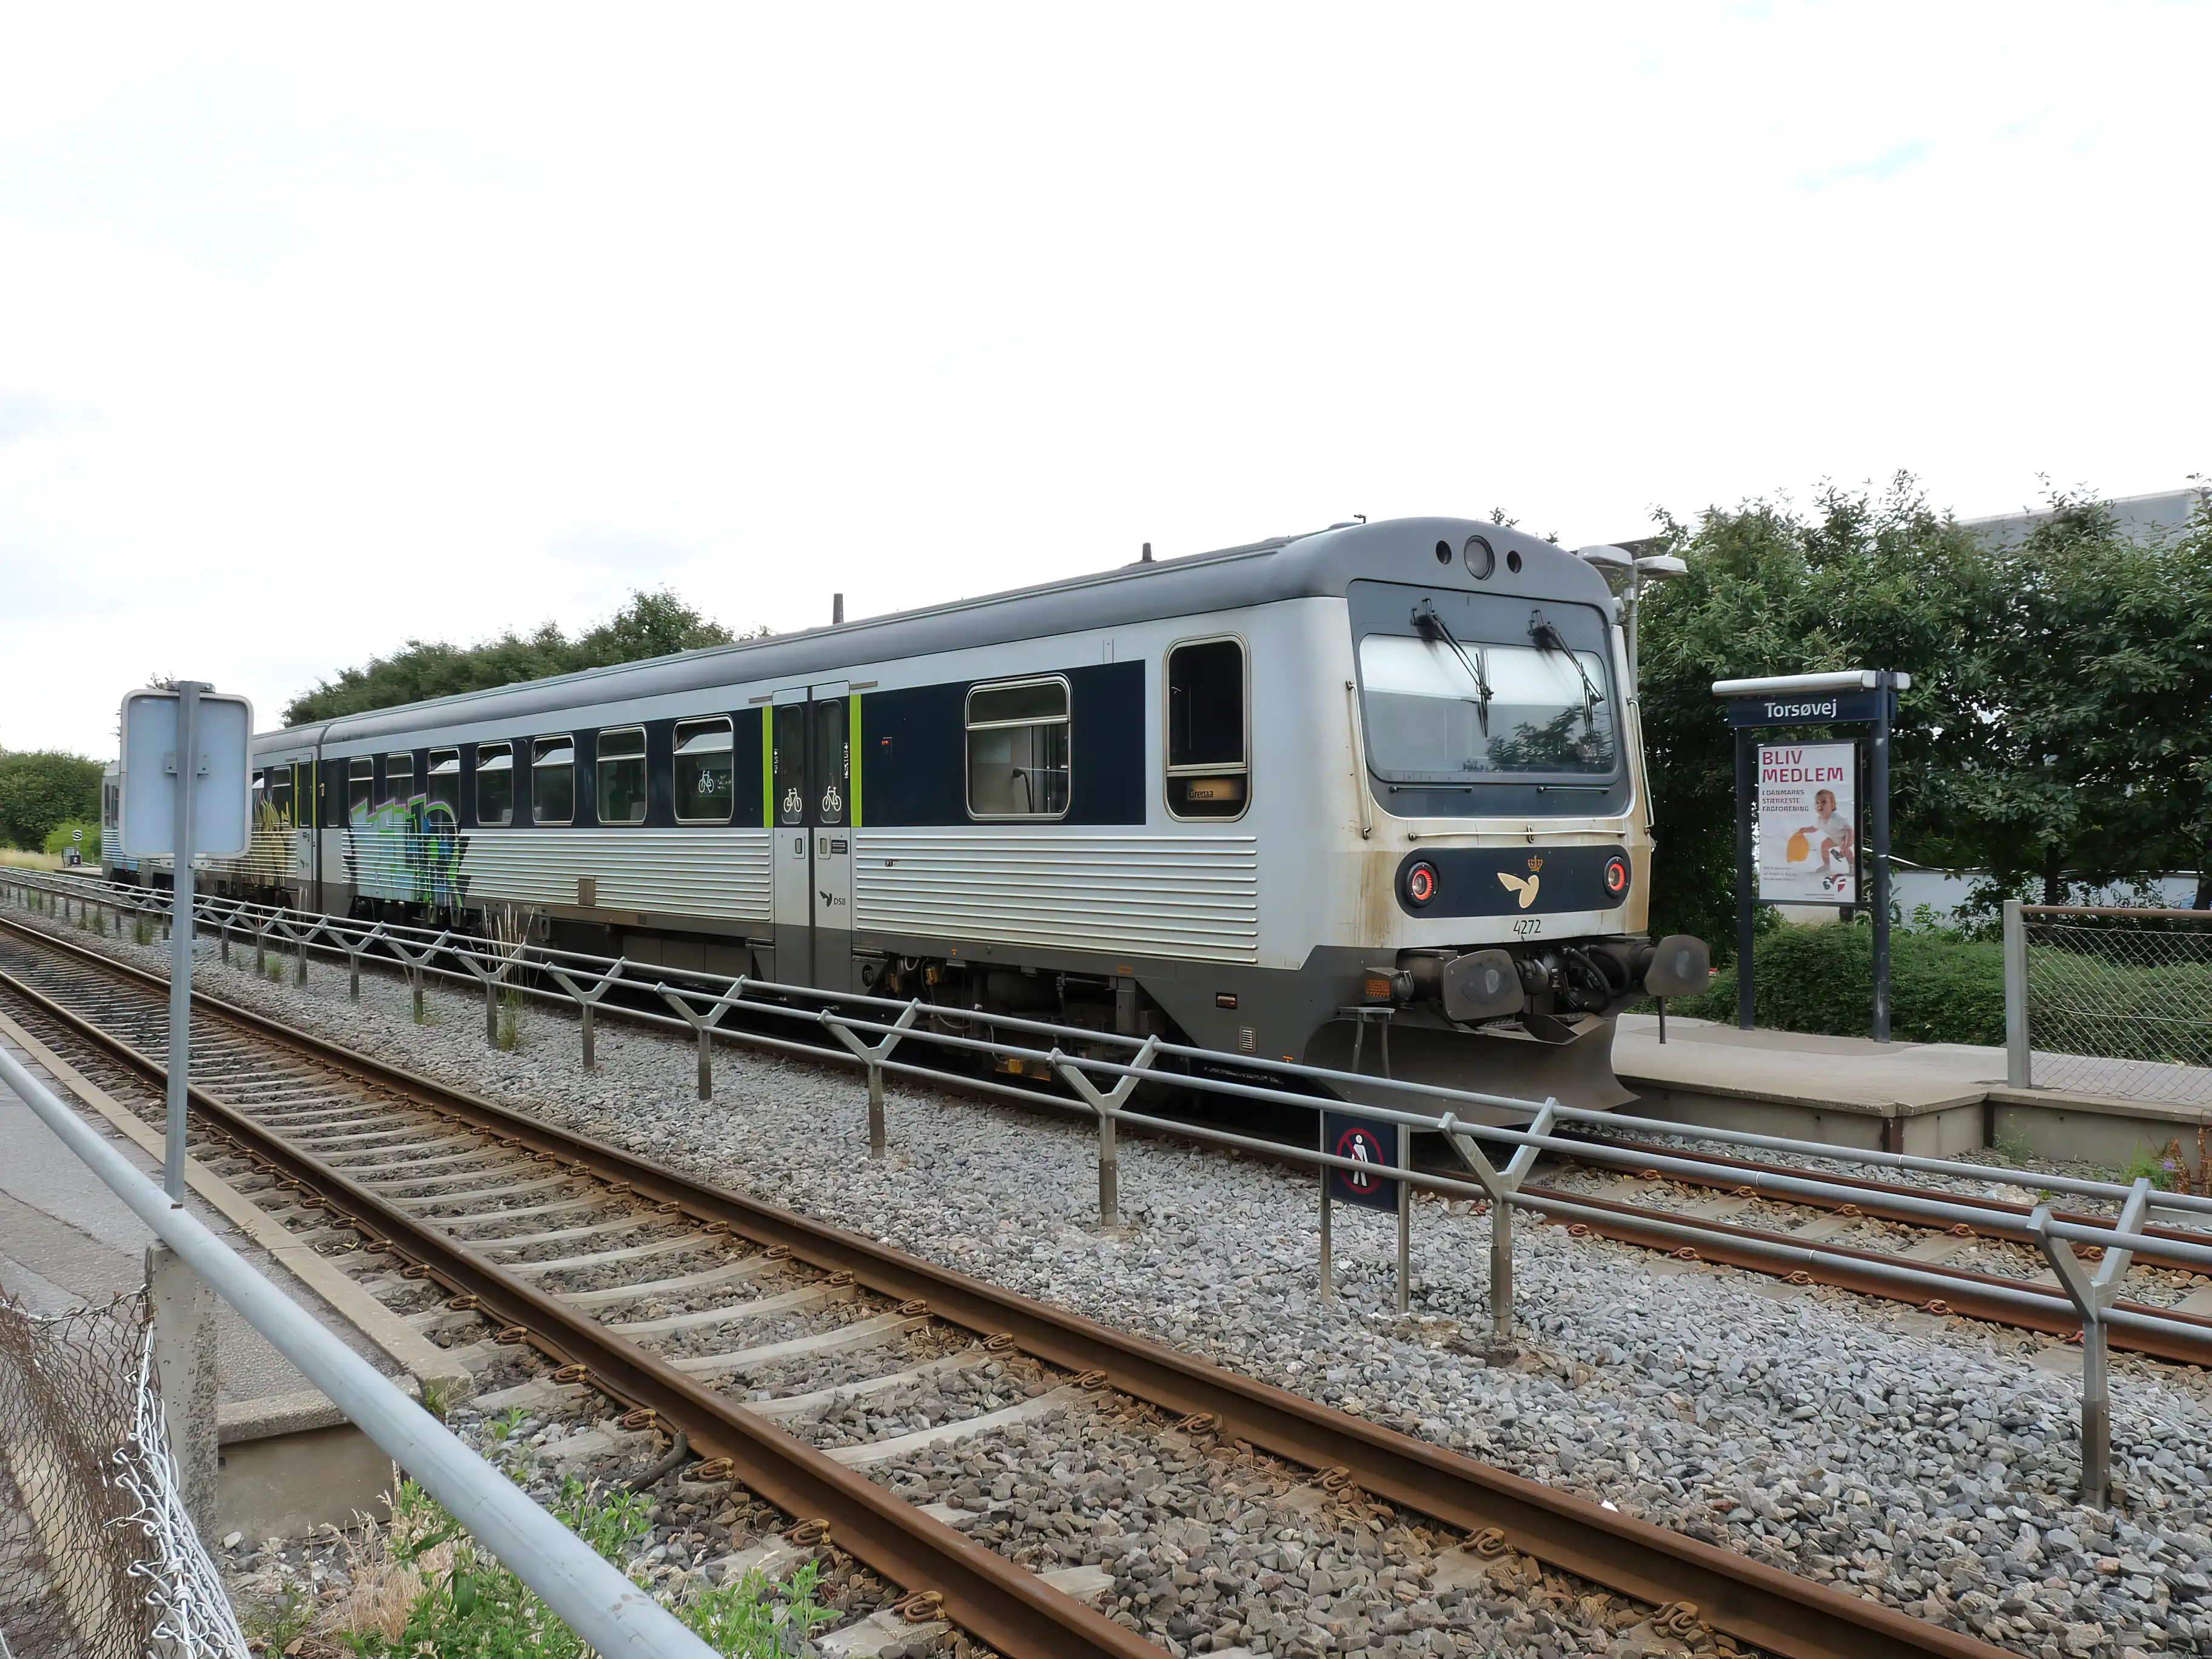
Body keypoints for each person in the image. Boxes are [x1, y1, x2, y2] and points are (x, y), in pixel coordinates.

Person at [1798, 788, 1852, 874]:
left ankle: (1853, 867)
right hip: (1835, 838)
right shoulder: (1821, 819)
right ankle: (1826, 866)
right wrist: (1803, 830)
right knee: (1824, 846)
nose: (1820, 805)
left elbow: (1849, 830)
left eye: (1824, 802)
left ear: (1832, 805)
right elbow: (1814, 828)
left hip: (1847, 837)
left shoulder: (1837, 818)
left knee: (1846, 850)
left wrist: (1846, 844)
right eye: (1817, 803)